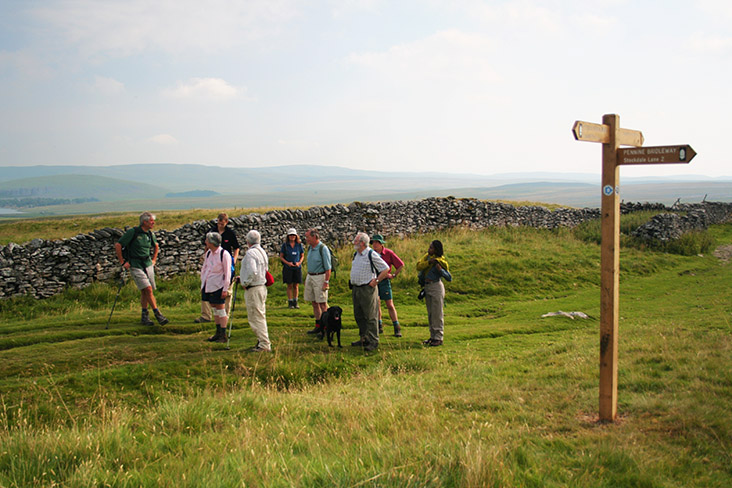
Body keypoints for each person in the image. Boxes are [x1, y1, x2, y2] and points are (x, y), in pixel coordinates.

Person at [114, 211, 169, 326]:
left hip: (147, 264)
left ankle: (144, 316)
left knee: (145, 291)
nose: (153, 223)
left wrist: (153, 260)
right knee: (148, 289)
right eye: (151, 221)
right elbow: (118, 245)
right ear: (144, 222)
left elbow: (156, 246)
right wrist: (122, 262)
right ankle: (158, 314)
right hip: (135, 265)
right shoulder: (132, 232)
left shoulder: (149, 234)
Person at [194, 213, 240, 323]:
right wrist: (206, 257)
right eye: (219, 222)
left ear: (226, 222)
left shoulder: (230, 234)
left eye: (222, 223)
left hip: (226, 263)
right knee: (206, 289)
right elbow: (207, 246)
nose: (220, 225)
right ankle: (206, 315)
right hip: (213, 263)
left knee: (227, 291)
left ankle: (225, 315)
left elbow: (236, 247)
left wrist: (234, 259)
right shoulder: (212, 231)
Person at [350, 232, 390, 352]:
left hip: (367, 288)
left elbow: (385, 268)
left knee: (371, 315)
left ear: (362, 243)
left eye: (356, 241)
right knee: (359, 314)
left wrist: (376, 280)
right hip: (356, 288)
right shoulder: (356, 254)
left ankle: (373, 341)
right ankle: (364, 338)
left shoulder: (371, 254)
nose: (354, 242)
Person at [239, 230, 272, 352]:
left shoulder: (250, 253)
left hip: (254, 287)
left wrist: (245, 282)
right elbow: (264, 269)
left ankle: (264, 344)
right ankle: (261, 341)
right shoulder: (262, 252)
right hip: (261, 286)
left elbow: (253, 271)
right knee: (260, 314)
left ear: (247, 242)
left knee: (256, 317)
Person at [416, 239, 452, 347]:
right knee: (431, 313)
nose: (429, 249)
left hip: (436, 286)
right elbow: (419, 266)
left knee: (437, 313)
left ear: (436, 250)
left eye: (431, 247)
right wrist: (428, 263)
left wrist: (439, 269)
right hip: (427, 287)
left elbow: (448, 277)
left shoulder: (440, 261)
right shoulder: (427, 258)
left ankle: (438, 337)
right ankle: (432, 336)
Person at [200, 232, 232, 343]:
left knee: (221, 309)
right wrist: (202, 284)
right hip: (209, 285)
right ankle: (218, 332)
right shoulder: (209, 253)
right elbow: (205, 268)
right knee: (214, 308)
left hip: (219, 285)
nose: (206, 242)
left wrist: (225, 289)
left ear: (212, 242)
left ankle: (223, 334)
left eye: (207, 240)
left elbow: (227, 273)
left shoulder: (224, 254)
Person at [370, 234, 405, 337]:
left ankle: (396, 326)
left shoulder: (388, 253)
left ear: (381, 244)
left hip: (384, 281)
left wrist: (393, 275)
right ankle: (379, 325)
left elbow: (400, 264)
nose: (375, 245)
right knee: (376, 304)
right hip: (374, 281)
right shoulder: (371, 254)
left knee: (389, 304)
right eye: (373, 243)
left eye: (377, 242)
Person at [303, 228, 331, 336]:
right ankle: (318, 325)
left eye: (308, 237)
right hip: (311, 276)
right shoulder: (310, 248)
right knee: (314, 302)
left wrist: (326, 281)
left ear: (314, 237)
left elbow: (328, 267)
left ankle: (327, 327)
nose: (306, 239)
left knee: (322, 303)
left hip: (320, 277)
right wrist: (308, 278)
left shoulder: (323, 248)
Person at [279, 228, 304, 309]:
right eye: (290, 235)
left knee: (296, 285)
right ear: (288, 236)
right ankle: (290, 302)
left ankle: (295, 301)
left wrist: (299, 263)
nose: (292, 237)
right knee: (289, 285)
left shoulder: (299, 245)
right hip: (288, 268)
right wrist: (288, 263)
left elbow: (302, 255)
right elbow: (281, 257)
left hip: (297, 267)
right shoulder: (285, 245)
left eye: (293, 235)